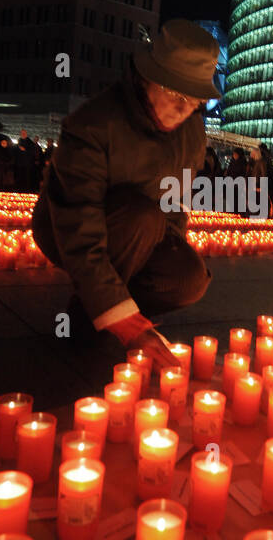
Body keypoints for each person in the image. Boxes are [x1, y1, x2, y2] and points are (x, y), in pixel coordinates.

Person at [31, 19, 217, 366]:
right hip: (69, 228)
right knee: (141, 217)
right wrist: (128, 326)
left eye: (195, 102)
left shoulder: (190, 132)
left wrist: (172, 250)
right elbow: (77, 221)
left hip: (146, 230)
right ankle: (88, 317)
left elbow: (175, 203)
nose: (184, 110)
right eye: (177, 95)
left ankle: (112, 303)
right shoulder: (94, 124)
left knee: (187, 278)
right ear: (148, 78)